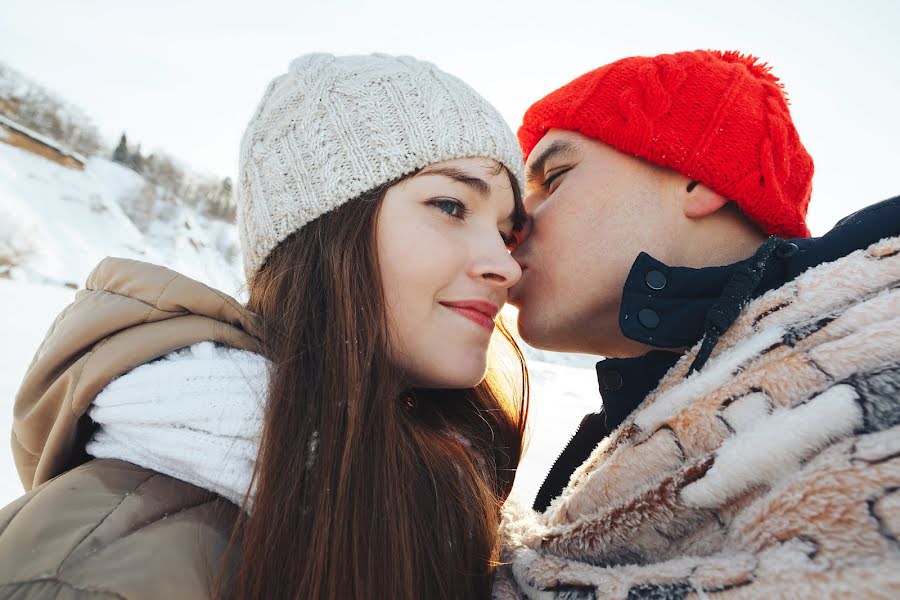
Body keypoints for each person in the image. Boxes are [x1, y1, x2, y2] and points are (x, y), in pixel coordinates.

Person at [0, 53, 530, 600]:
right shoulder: (92, 570)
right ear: (323, 231)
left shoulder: (440, 497)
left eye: (507, 233)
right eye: (450, 204)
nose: (506, 266)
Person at [495, 49, 900, 597]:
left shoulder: (878, 333)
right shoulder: (622, 432)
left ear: (698, 180)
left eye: (555, 177)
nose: (513, 224)